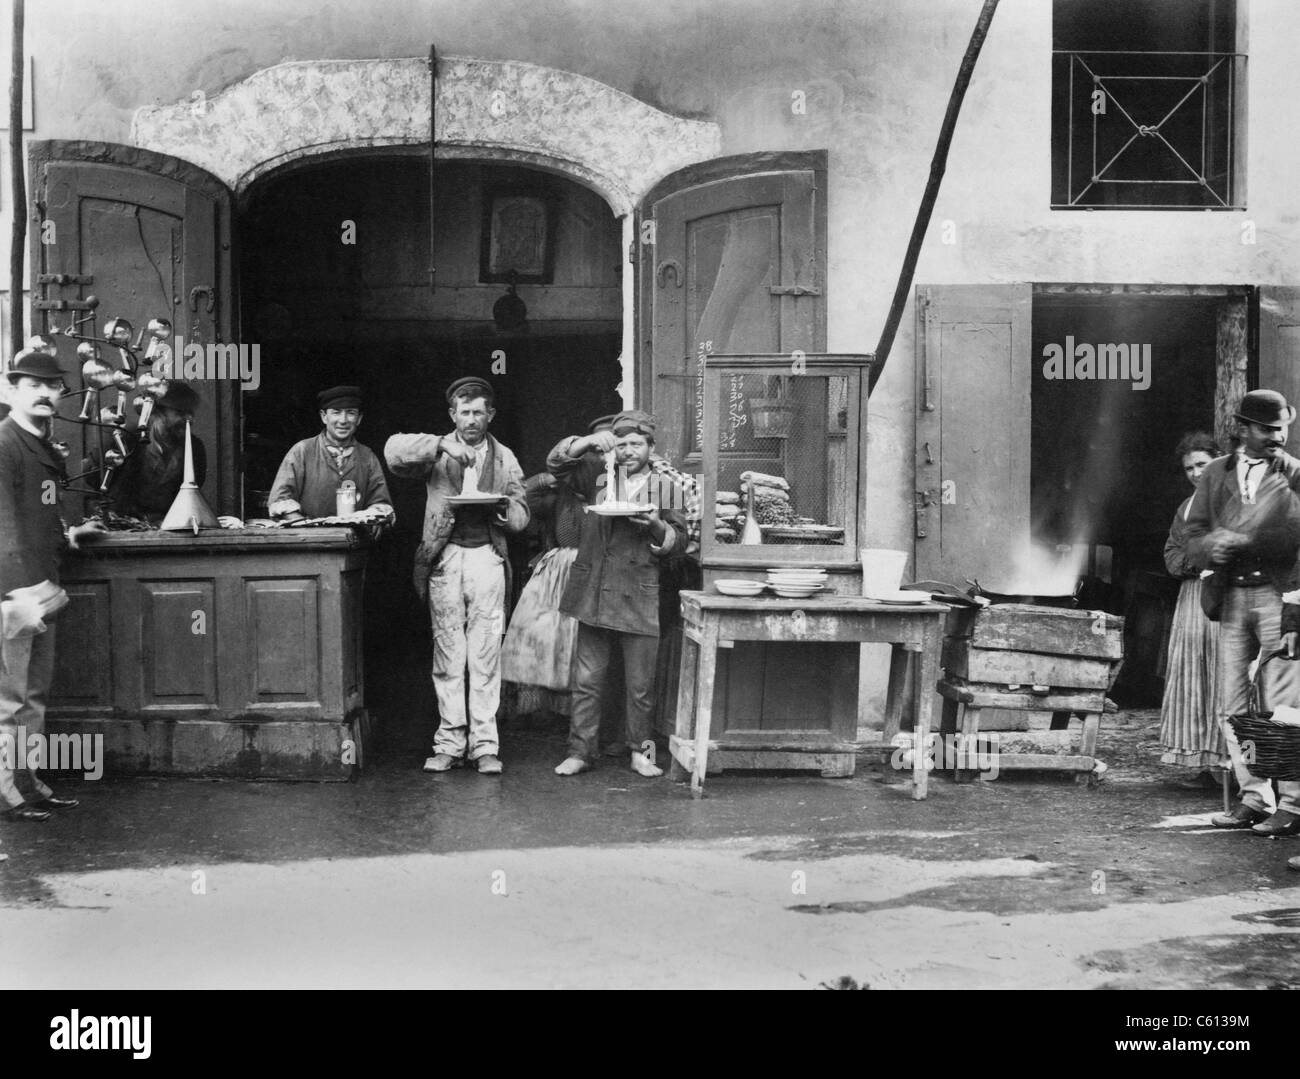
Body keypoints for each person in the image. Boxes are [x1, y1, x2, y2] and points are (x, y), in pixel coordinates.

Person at [385, 377, 528, 775]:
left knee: (484, 656)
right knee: (449, 655)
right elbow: (393, 452)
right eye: (463, 412)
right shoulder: (439, 450)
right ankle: (448, 742)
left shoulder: (504, 458)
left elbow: (521, 510)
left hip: (487, 558)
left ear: (490, 415)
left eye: (478, 412)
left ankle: (485, 746)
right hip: (446, 560)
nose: (471, 420)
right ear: (453, 415)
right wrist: (439, 444)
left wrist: (505, 513)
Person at [547, 408, 688, 777]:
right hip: (594, 590)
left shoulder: (665, 486)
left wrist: (656, 525)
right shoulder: (598, 476)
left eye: (636, 443)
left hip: (642, 593)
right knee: (587, 682)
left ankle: (643, 754)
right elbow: (556, 464)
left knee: (641, 687)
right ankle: (579, 752)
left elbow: (679, 541)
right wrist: (587, 442)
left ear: (651, 447)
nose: (628, 450)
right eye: (622, 443)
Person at [1185, 390, 1300, 836]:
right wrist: (1211, 547)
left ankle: (1292, 804)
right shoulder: (1215, 474)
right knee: (1232, 707)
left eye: (1282, 428)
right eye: (1268, 429)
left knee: (1285, 708)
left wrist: (1295, 614)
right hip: (1232, 599)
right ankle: (1255, 796)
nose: (1278, 436)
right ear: (1243, 429)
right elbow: (1192, 534)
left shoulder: (1295, 476)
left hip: (1279, 599)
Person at [0, 350, 105, 822]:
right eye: (32, 385)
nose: (45, 393)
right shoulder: (4, 443)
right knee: (9, 698)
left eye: (53, 386)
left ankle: (29, 785)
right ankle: (6, 793)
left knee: (33, 697)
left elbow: (35, 514)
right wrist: (18, 590)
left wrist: (68, 533)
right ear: (10, 392)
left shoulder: (38, 444)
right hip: (14, 591)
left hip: (43, 583)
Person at [1158, 432, 1225, 785]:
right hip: (1192, 599)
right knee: (1192, 677)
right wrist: (1195, 563)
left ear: (1218, 458)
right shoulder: (1185, 509)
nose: (1196, 473)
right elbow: (1172, 554)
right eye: (1189, 468)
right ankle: (1199, 762)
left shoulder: (1235, 499)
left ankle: (1232, 767)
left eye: (1202, 464)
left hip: (1225, 596)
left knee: (1223, 676)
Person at [269, 385, 394, 524]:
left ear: (359, 419)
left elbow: (380, 503)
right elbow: (281, 499)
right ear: (324, 417)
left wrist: (374, 521)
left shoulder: (368, 457)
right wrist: (306, 527)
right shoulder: (302, 451)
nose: (343, 420)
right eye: (336, 412)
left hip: (354, 541)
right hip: (308, 541)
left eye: (351, 413)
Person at [100, 381, 206, 524]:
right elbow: (95, 476)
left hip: (170, 527)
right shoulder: (126, 438)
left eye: (191, 412)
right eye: (180, 412)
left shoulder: (195, 448)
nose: (189, 419)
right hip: (123, 526)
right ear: (158, 412)